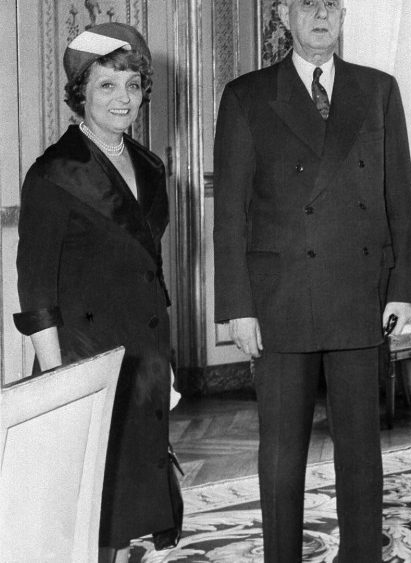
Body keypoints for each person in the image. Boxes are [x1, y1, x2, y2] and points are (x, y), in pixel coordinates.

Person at [212, 0, 411, 560]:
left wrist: (402, 286)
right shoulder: (247, 96)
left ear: (344, 14)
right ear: (284, 16)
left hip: (359, 294)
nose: (321, 15)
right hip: (279, 300)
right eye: (308, 4)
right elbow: (230, 212)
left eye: (332, 4)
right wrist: (238, 306)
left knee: (361, 456)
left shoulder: (378, 90)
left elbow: (399, 196)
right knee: (281, 457)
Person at [14, 22, 178, 563]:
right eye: (107, 85)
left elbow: (147, 270)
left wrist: (164, 364)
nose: (122, 99)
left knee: (128, 505)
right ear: (80, 92)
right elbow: (35, 286)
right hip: (85, 360)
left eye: (132, 85)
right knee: (88, 510)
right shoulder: (53, 173)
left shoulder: (151, 168)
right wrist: (60, 381)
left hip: (144, 355)